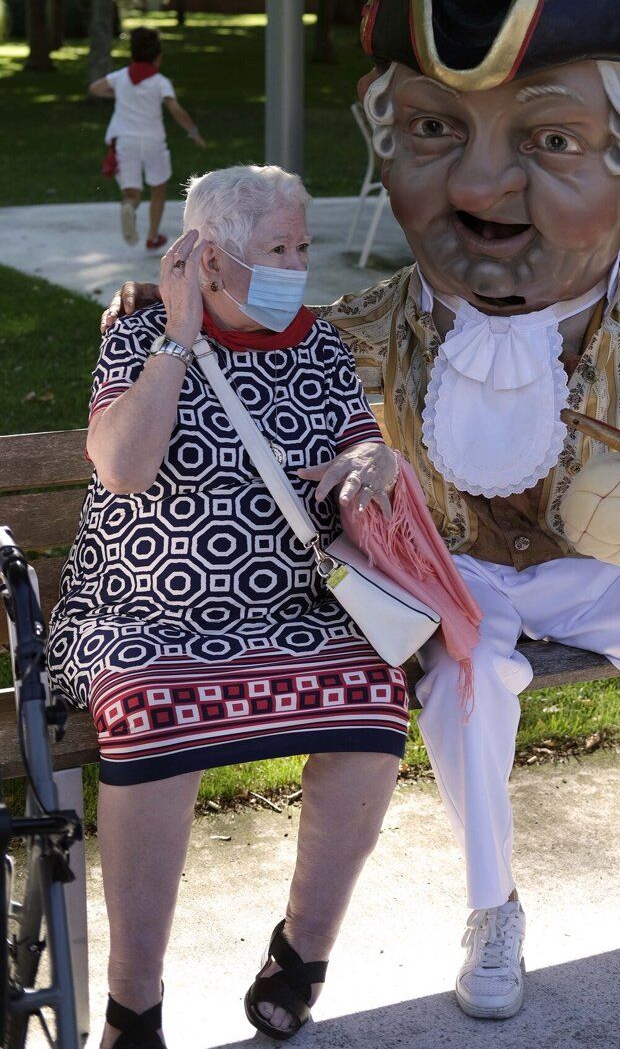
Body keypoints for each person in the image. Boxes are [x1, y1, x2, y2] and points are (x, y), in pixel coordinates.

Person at [103, 0, 620, 1022]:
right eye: (429, 129)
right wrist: (164, 299)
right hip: (450, 577)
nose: (479, 184)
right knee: (475, 689)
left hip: (569, 565)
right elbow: (251, 330)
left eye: (550, 140)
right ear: (383, 140)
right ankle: (493, 910)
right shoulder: (366, 331)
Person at [49, 164, 407, 1046]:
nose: (297, 265)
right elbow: (124, 468)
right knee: (155, 710)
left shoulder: (314, 343)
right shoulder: (140, 337)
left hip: (294, 608)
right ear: (208, 261)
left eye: (302, 245)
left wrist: (374, 463)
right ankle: (135, 999)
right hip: (139, 615)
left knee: (373, 693)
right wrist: (177, 334)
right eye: (276, 249)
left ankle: (302, 951)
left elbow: (367, 444)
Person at [90, 26, 207, 252]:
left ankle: (129, 207)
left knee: (132, 192)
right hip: (153, 141)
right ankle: (152, 236)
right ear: (158, 57)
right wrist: (193, 131)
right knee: (158, 188)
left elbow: (95, 88)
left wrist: (117, 94)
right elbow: (175, 109)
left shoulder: (120, 77)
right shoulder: (160, 81)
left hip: (126, 141)